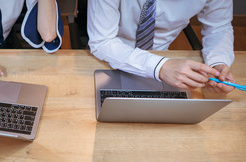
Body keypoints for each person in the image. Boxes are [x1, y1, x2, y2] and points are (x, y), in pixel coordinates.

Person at [87, 0, 235, 94]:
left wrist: (218, 61)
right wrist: (160, 67)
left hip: (163, 58)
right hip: (108, 58)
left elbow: (219, 28)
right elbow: (102, 42)